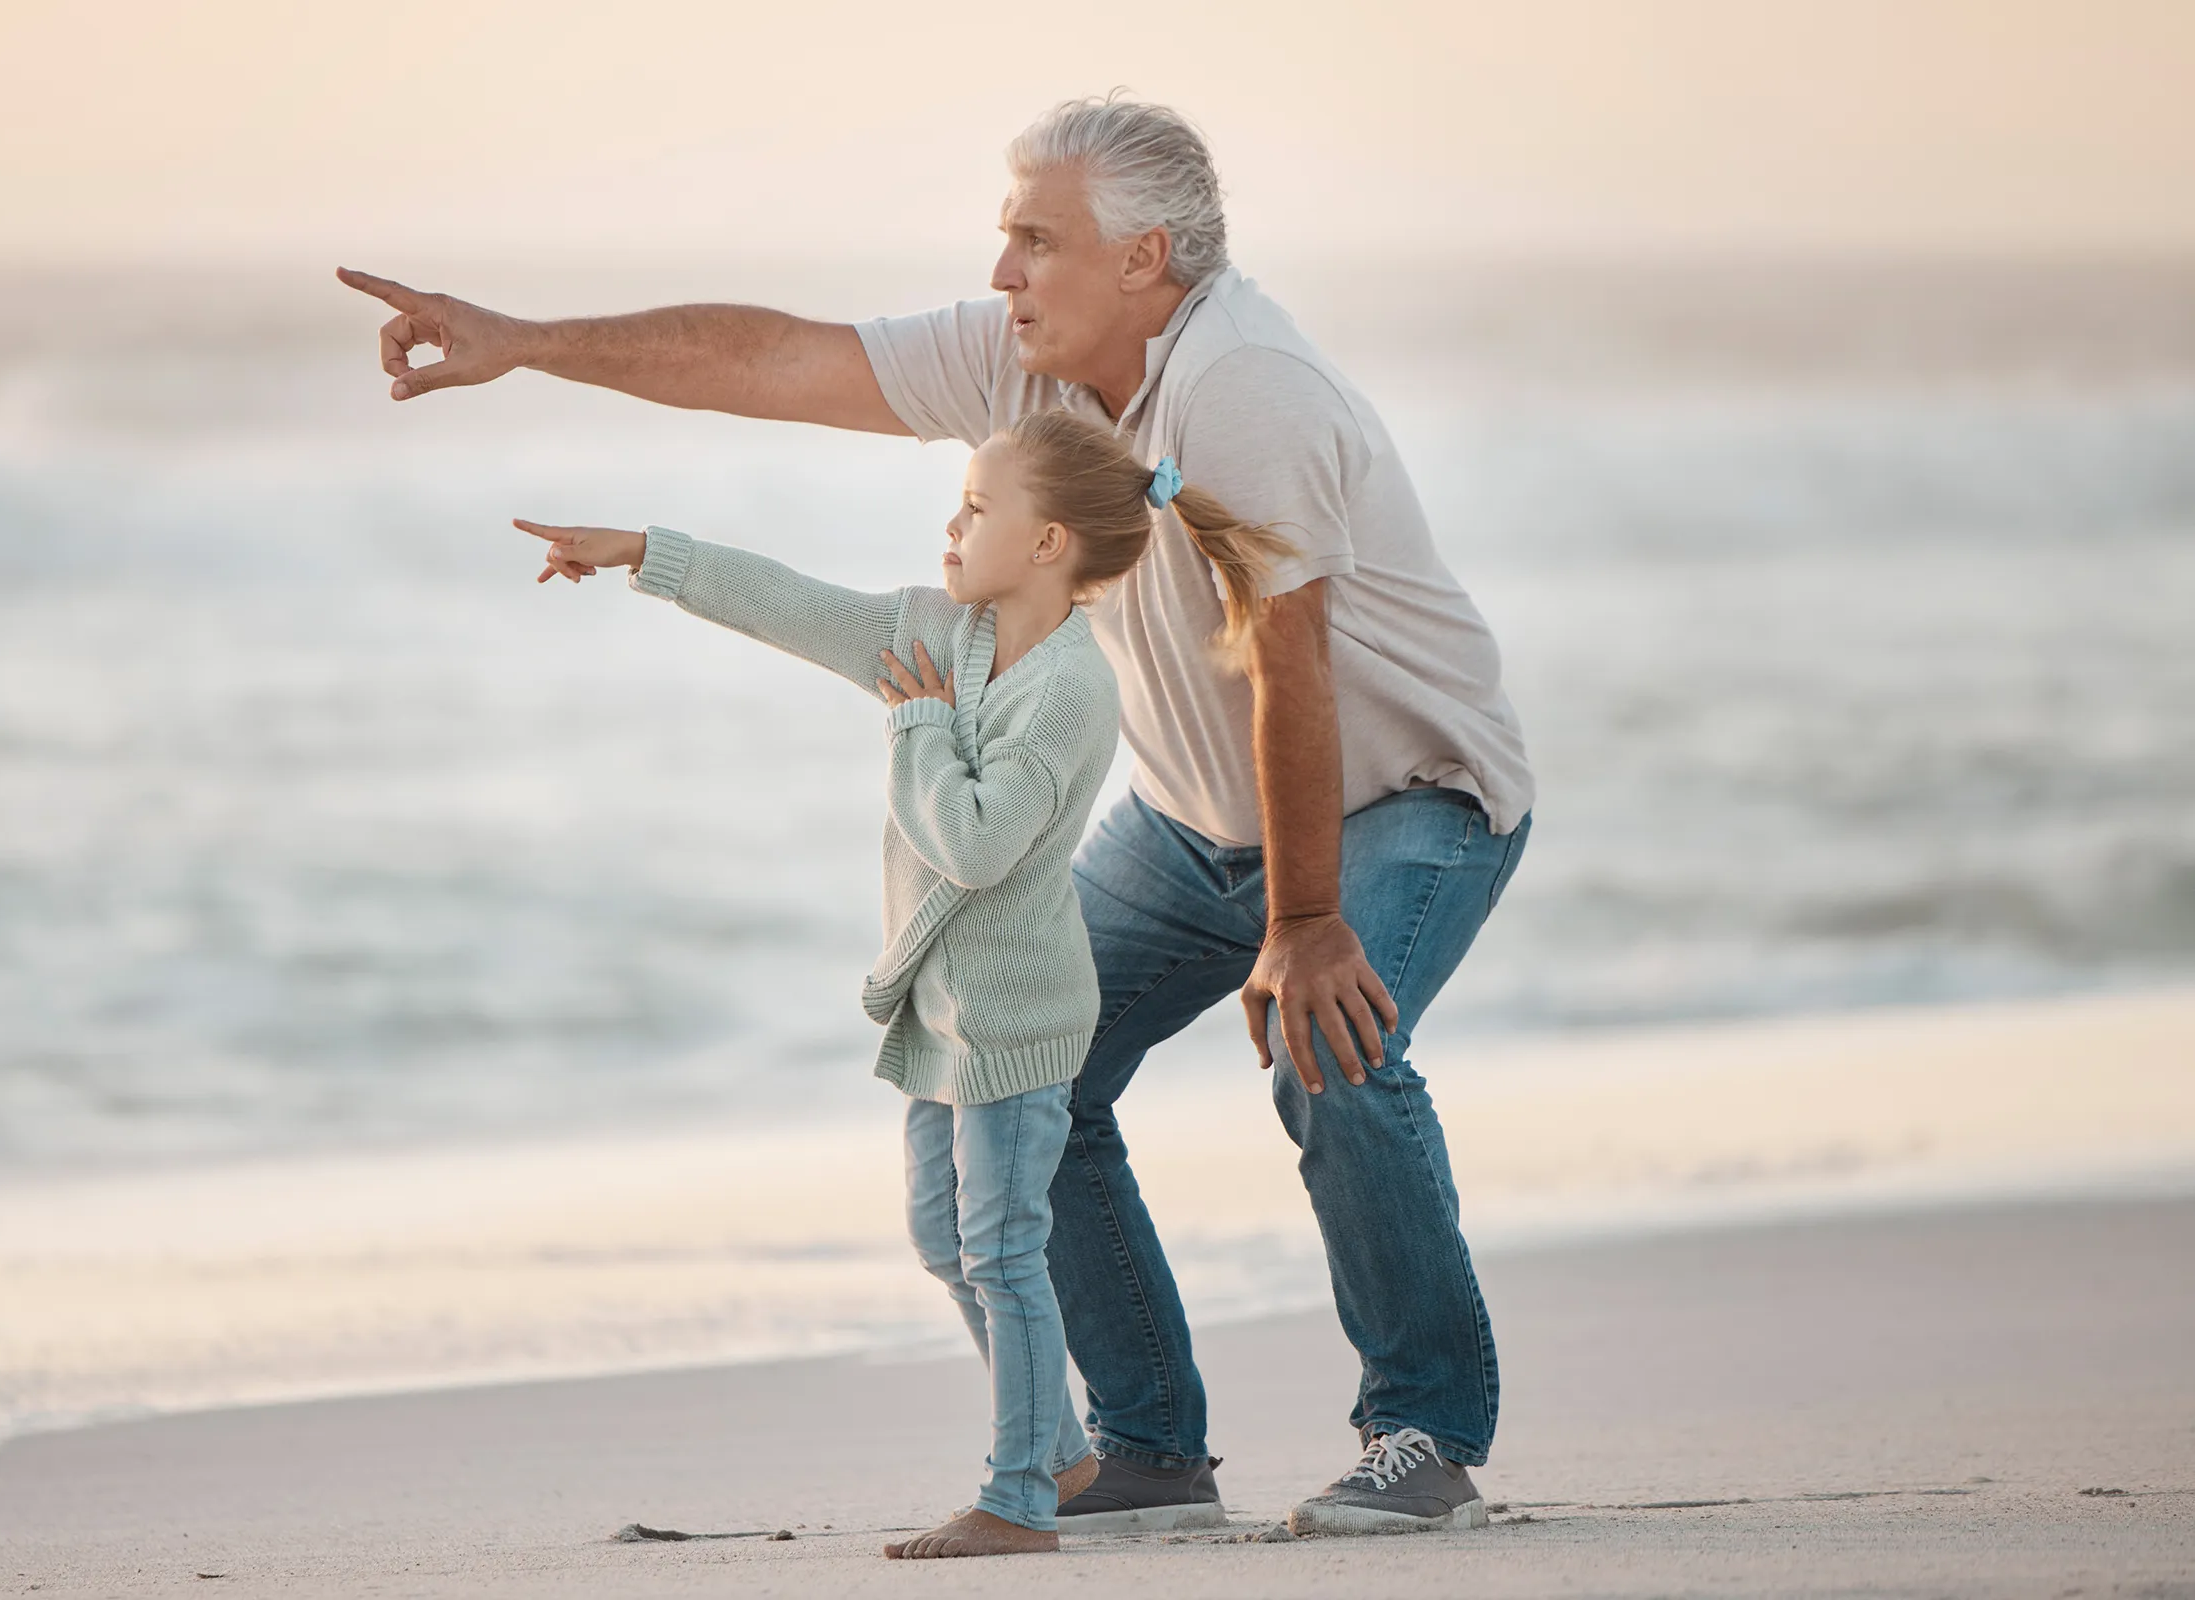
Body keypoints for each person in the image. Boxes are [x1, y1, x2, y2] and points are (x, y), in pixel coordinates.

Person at [340, 93, 1534, 1538]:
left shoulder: (1245, 387)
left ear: (1144, 257)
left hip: (1407, 798)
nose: (1000, 275)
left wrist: (1303, 921)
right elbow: (773, 359)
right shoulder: (1020, 360)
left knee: (1324, 1045)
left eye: (1034, 241)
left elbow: (1284, 664)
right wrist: (526, 343)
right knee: (1038, 1067)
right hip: (1190, 816)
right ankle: (1148, 1450)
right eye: (1005, 239)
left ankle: (1423, 1433)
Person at [519, 410, 1292, 1557]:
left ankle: (1021, 1492)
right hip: (942, 1008)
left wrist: (915, 725)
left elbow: (973, 845)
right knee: (944, 1236)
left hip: (1020, 1018)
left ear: (1048, 544)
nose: (953, 521)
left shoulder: (1075, 690)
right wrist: (642, 550)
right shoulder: (939, 630)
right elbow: (793, 602)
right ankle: (1062, 1447)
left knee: (1002, 1249)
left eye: (977, 507)